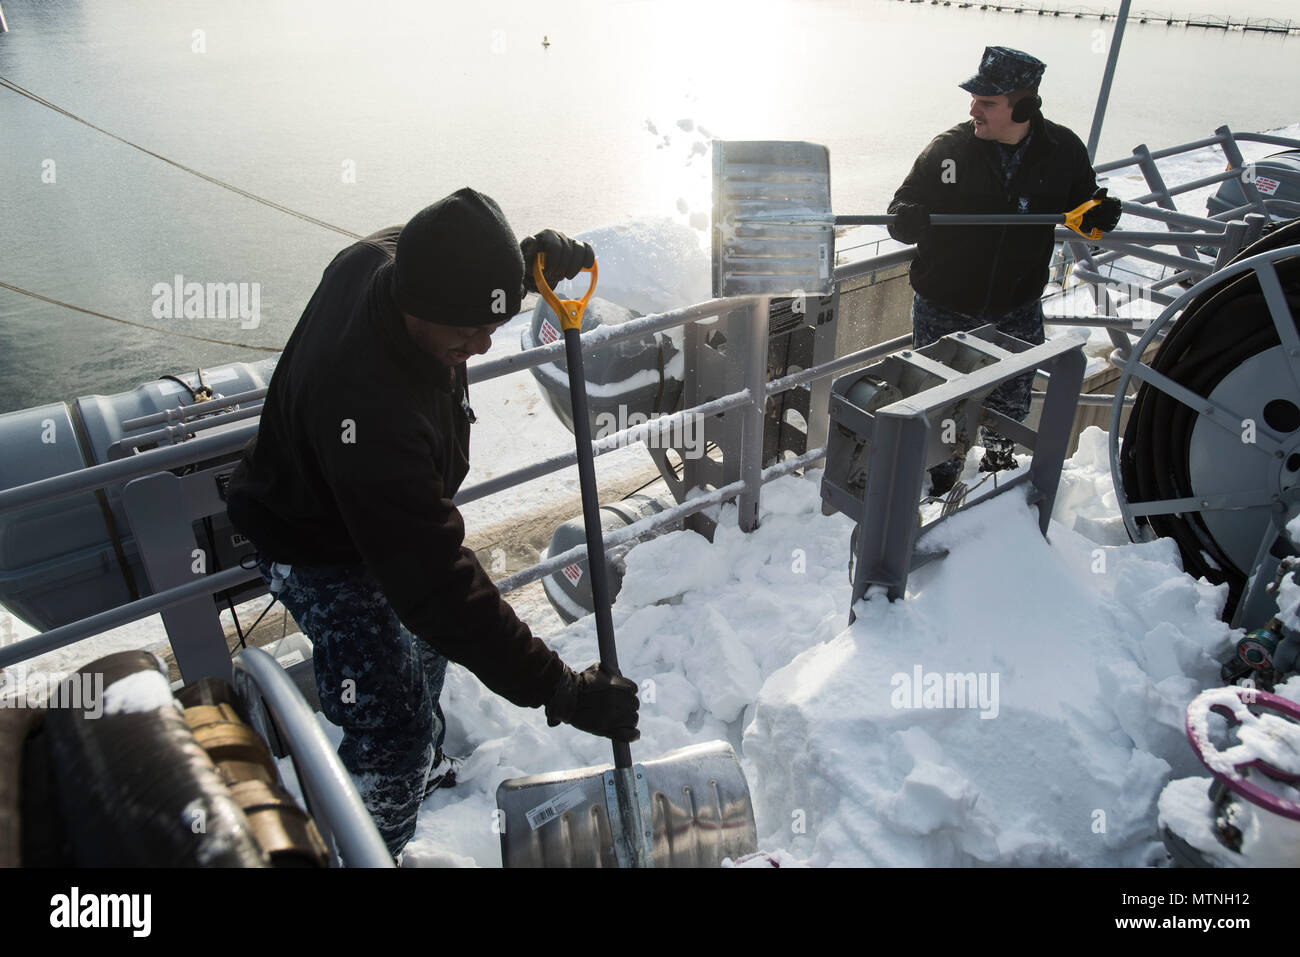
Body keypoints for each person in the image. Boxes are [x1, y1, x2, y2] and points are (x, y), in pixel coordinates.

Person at [225, 188, 640, 860]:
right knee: (397, 734)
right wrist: (561, 689)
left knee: (428, 649)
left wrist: (523, 264)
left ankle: (417, 773)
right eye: (466, 331)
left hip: (379, 515)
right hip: (312, 542)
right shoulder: (367, 406)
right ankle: (372, 843)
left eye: (491, 321)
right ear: (417, 309)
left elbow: (452, 253)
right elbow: (436, 586)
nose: (481, 346)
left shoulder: (393, 261)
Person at [887, 46, 1122, 495]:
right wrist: (907, 217)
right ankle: (941, 482)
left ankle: (997, 472)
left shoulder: (1062, 151)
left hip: (1017, 306)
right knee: (942, 401)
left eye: (988, 102)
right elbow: (902, 204)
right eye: (974, 99)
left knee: (1011, 401)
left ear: (1026, 107)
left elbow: (1081, 209)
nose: (973, 108)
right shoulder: (948, 151)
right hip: (945, 307)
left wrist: (1097, 214)